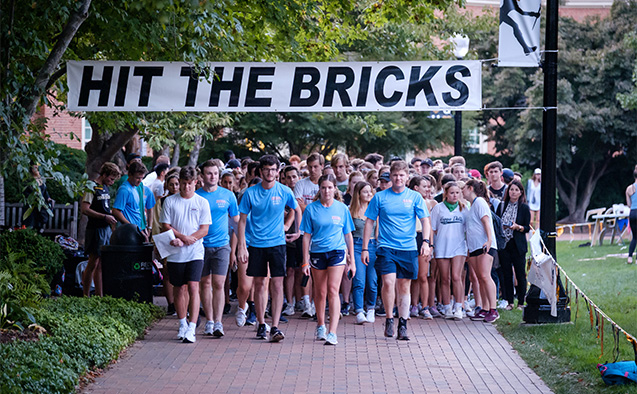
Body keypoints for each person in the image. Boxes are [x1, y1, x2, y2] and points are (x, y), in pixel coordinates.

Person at [362, 160, 431, 340]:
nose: (398, 178)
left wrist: (426, 242)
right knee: (389, 282)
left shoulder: (415, 197)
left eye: (401, 175)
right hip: (386, 246)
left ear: (407, 177)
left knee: (404, 286)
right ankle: (389, 318)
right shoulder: (380, 197)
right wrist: (365, 247)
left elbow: (425, 220)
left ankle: (403, 323)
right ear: (390, 177)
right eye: (395, 175)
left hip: (408, 247)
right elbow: (369, 221)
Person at [237, 155, 302, 342]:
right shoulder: (250, 193)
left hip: (278, 244)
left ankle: (275, 326)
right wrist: (242, 245)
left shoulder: (284, 191)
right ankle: (261, 323)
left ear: (277, 171)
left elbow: (296, 209)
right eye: (266, 169)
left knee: (277, 283)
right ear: (261, 171)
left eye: (273, 169)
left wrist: (294, 230)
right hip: (256, 244)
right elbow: (241, 220)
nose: (270, 173)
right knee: (259, 284)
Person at [300, 174, 355, 345]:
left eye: (330, 187)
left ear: (335, 189)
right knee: (320, 291)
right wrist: (305, 260)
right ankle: (321, 324)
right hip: (317, 252)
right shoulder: (311, 209)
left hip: (337, 251)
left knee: (333, 289)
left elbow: (348, 235)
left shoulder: (342, 208)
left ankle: (333, 332)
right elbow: (306, 237)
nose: (326, 191)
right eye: (323, 187)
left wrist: (352, 260)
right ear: (319, 189)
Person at [160, 166, 212, 343]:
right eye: (183, 184)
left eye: (190, 184)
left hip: (195, 252)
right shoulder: (170, 201)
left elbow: (204, 228)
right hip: (176, 252)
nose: (186, 187)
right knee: (179, 287)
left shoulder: (202, 202)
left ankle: (192, 326)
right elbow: (165, 225)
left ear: (195, 182)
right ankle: (182, 322)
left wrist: (191, 239)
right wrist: (181, 237)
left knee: (193, 285)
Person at [196, 161, 239, 337]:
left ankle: (219, 323)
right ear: (202, 176)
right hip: (201, 245)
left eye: (215, 173)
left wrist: (243, 244)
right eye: (209, 173)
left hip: (222, 245)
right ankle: (209, 321)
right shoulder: (196, 196)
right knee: (205, 283)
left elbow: (236, 221)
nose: (212, 176)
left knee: (219, 284)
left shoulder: (228, 195)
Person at [81, 162, 121, 297]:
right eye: (110, 179)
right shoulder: (91, 187)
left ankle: (100, 295)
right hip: (95, 228)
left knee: (101, 263)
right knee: (93, 261)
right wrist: (104, 217)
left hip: (106, 228)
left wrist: (111, 215)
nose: (112, 182)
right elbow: (85, 209)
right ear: (104, 175)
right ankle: (85, 295)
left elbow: (104, 207)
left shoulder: (105, 188)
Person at [463, 179, 500, 323]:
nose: (462, 191)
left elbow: (486, 221)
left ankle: (493, 309)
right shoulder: (472, 205)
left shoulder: (479, 202)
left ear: (470, 188)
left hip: (484, 245)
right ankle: (484, 309)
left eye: (464, 188)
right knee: (479, 278)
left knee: (485, 276)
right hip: (474, 247)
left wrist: (489, 240)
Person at [430, 182, 468, 320]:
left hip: (459, 246)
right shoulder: (438, 209)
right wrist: (431, 246)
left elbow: (468, 229)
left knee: (457, 277)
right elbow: (432, 229)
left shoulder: (464, 209)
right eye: (452, 192)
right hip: (442, 246)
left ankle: (458, 306)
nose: (454, 195)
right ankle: (447, 307)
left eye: (457, 193)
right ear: (445, 193)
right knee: (445, 278)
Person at [497, 179, 531, 311]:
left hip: (518, 244)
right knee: (506, 273)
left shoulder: (524, 207)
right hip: (504, 244)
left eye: (517, 190)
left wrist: (518, 227)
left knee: (520, 274)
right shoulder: (502, 205)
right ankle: (509, 301)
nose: (513, 192)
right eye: (511, 189)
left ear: (521, 192)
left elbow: (527, 227)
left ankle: (521, 302)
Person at [408, 175, 438, 319]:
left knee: (423, 276)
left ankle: (425, 306)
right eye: (424, 186)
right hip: (408, 238)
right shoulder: (407, 200)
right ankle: (414, 305)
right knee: (412, 275)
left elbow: (429, 225)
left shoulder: (427, 203)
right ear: (416, 188)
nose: (427, 189)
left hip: (421, 237)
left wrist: (430, 244)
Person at [349, 181, 378, 325]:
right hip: (356, 245)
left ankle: (371, 308)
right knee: (359, 280)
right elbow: (347, 233)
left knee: (372, 281)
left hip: (373, 245)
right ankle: (359, 310)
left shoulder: (375, 210)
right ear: (358, 193)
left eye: (370, 191)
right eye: (365, 191)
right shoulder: (351, 210)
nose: (369, 194)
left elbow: (378, 232)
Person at [113, 162, 155, 240]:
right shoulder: (124, 190)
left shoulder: (135, 188)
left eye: (142, 178)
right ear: (129, 175)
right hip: (128, 232)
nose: (140, 180)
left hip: (136, 230)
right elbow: (116, 211)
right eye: (137, 178)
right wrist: (130, 226)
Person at [23, 163, 53, 231]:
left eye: (37, 168)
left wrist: (48, 198)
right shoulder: (29, 180)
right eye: (34, 168)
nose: (36, 169)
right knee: (31, 223)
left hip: (41, 205)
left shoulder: (41, 179)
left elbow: (45, 191)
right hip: (32, 205)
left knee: (40, 222)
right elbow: (25, 192)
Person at [626, 169, 637, 264]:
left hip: (633, 213)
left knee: (635, 237)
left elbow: (629, 204)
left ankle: (630, 257)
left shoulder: (629, 188)